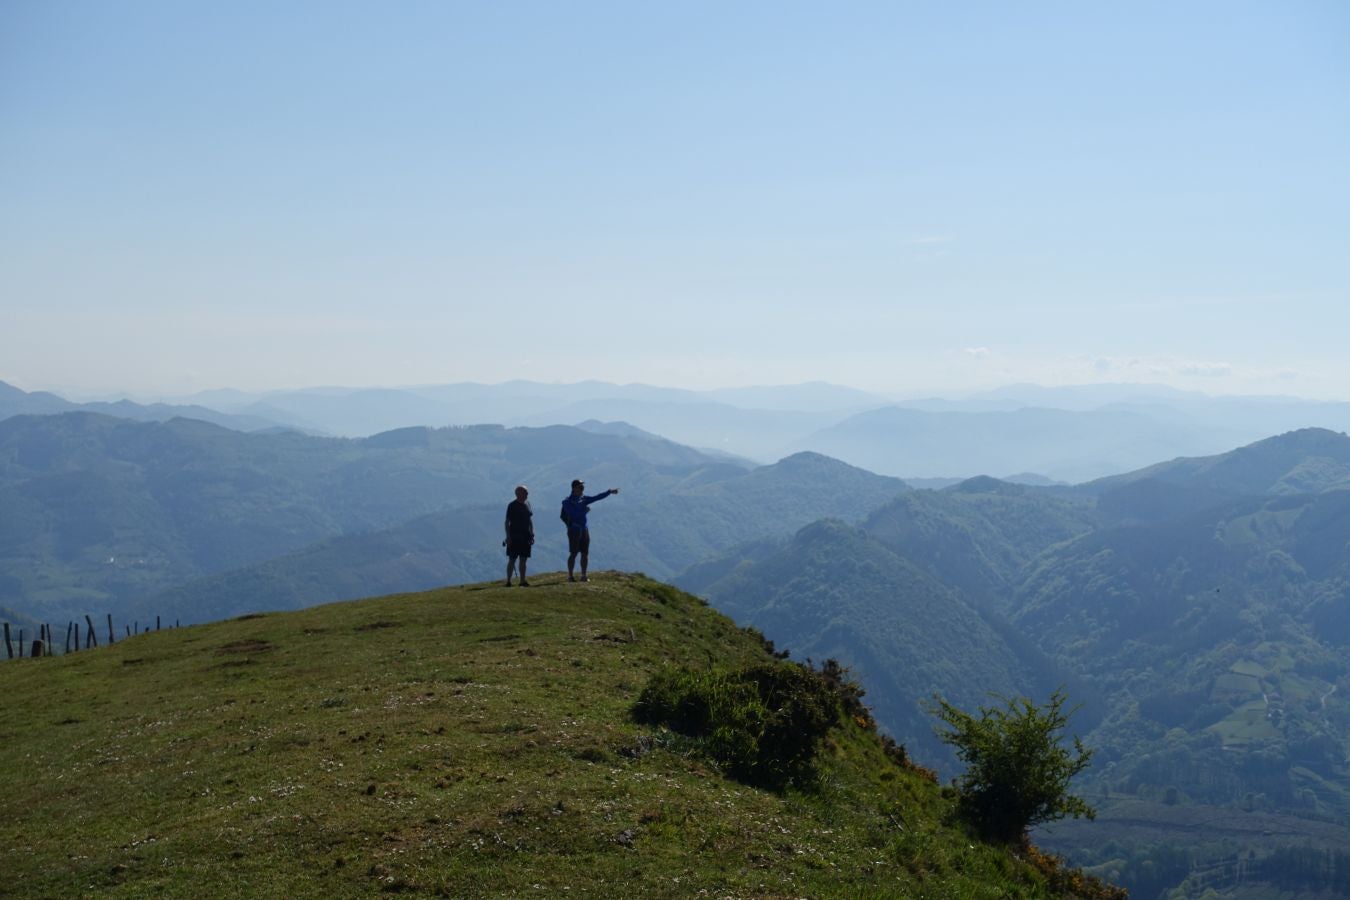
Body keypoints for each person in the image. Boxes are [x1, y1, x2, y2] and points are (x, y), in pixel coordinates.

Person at [560, 479, 618, 582]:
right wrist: (584, 511)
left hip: (584, 529)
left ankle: (583, 575)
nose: (582, 488)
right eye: (580, 487)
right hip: (574, 530)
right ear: (574, 488)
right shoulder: (567, 502)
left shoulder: (583, 499)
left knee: (585, 553)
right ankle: (570, 576)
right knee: (573, 553)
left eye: (583, 487)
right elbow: (573, 514)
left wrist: (609, 492)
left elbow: (597, 497)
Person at [503, 485, 534, 586]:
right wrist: (508, 536)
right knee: (512, 559)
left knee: (523, 559)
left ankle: (522, 580)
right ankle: (508, 581)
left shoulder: (527, 504)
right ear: (518, 494)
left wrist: (532, 533)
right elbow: (507, 522)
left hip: (526, 536)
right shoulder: (512, 505)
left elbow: (529, 520)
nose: (527, 495)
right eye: (525, 492)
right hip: (514, 536)